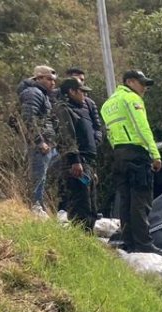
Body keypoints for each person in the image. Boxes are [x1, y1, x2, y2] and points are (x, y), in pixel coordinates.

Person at [101, 69, 162, 254]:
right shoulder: (132, 99)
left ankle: (127, 241)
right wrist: (155, 153)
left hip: (119, 153)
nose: (144, 87)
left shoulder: (108, 104)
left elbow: (109, 133)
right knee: (140, 200)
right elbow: (142, 127)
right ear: (129, 81)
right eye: (141, 83)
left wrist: (117, 150)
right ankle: (144, 244)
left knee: (125, 200)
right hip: (137, 152)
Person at [53, 78, 98, 230]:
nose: (85, 95)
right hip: (76, 163)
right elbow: (67, 137)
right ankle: (81, 240)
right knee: (81, 206)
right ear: (72, 91)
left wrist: (92, 168)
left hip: (87, 163)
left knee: (91, 206)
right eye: (82, 91)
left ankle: (88, 239)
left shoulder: (83, 109)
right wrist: (75, 160)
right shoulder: (64, 109)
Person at [17, 65, 57, 216]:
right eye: (49, 79)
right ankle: (35, 207)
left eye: (54, 80)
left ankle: (40, 206)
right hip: (41, 145)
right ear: (38, 78)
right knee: (38, 177)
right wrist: (39, 141)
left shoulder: (42, 94)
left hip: (48, 143)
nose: (52, 83)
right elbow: (29, 118)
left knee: (44, 177)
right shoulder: (33, 93)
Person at [62, 67, 104, 148]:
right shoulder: (58, 99)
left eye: (82, 80)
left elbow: (97, 126)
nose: (80, 82)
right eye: (77, 78)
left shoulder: (89, 103)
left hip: (89, 149)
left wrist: (95, 140)